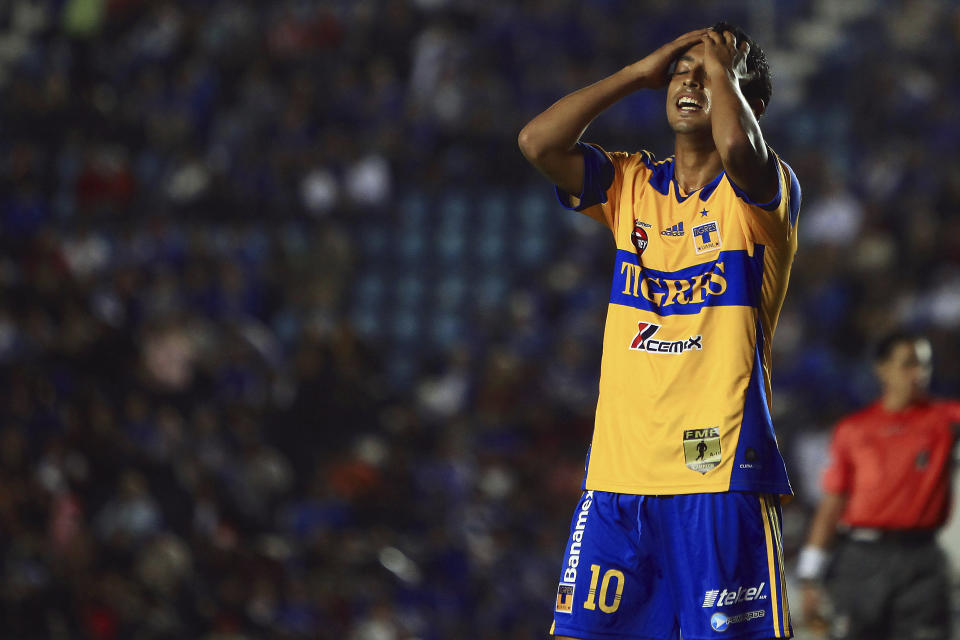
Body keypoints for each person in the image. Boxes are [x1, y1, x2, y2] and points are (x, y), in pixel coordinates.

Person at [518, 22, 801, 640]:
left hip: (719, 478)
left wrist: (722, 70)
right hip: (617, 481)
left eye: (711, 75)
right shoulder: (631, 185)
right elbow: (537, 142)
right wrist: (634, 75)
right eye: (681, 73)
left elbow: (741, 151)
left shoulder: (760, 195)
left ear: (749, 104)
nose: (689, 83)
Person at [798, 332, 960, 640]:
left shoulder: (945, 420)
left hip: (922, 562)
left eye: (924, 365)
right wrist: (809, 575)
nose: (919, 374)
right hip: (860, 562)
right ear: (882, 369)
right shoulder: (854, 429)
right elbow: (832, 503)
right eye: (908, 364)